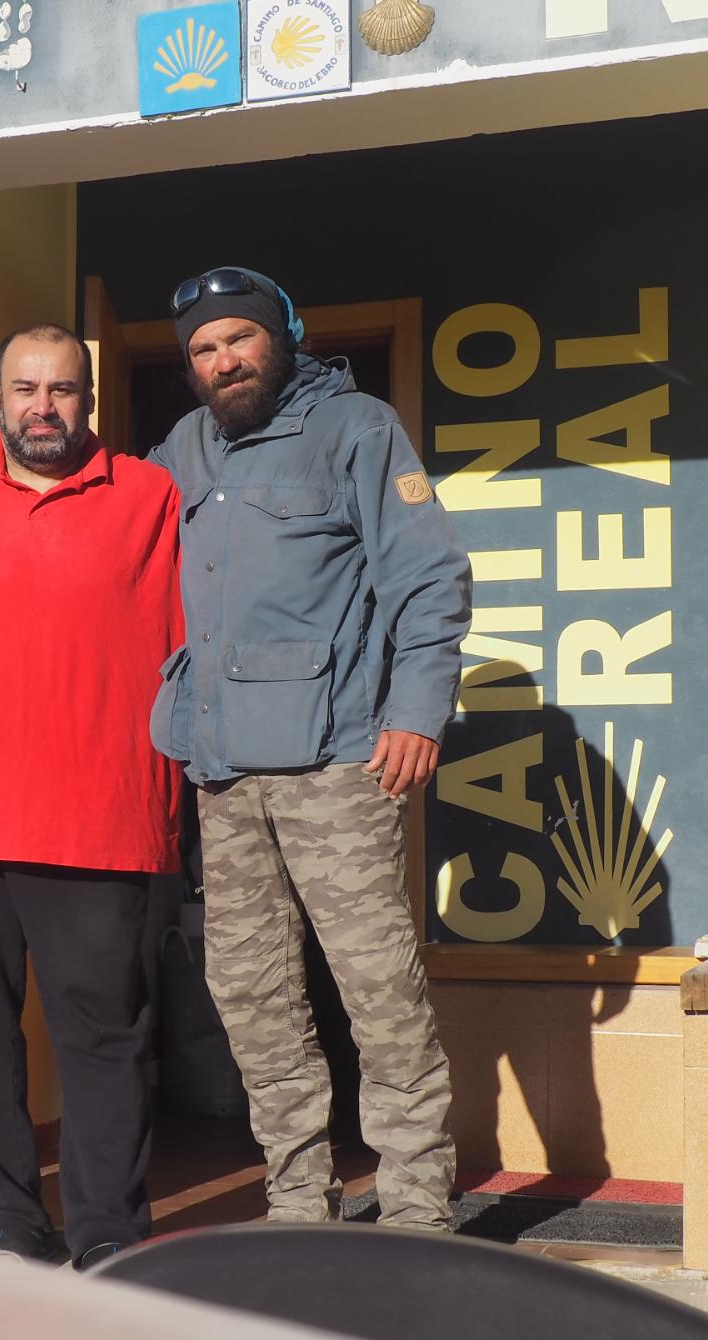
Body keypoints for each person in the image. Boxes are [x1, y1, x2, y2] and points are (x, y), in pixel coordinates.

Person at [148, 268, 472, 1228]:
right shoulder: (181, 449)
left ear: (283, 336)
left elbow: (429, 577)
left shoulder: (357, 428)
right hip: (221, 772)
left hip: (338, 762)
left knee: (378, 989)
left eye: (240, 339)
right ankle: (297, 1198)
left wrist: (417, 712)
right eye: (205, 349)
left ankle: (416, 1203)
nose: (224, 361)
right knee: (250, 996)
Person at [0, 323, 182, 1270]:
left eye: (62, 389)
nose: (43, 407)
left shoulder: (150, 495)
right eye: (25, 389)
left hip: (100, 821)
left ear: (89, 399)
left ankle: (108, 1233)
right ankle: (5, 1223)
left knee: (106, 1042)